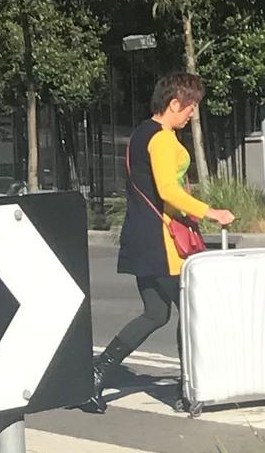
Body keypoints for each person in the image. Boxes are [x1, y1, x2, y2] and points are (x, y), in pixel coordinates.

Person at [82, 72, 235, 413]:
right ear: (174, 103)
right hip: (164, 241)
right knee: (192, 313)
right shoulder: (163, 139)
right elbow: (168, 190)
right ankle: (189, 389)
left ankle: (96, 375)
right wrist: (212, 212)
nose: (192, 115)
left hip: (141, 235)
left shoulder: (140, 134)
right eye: (190, 108)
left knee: (155, 313)